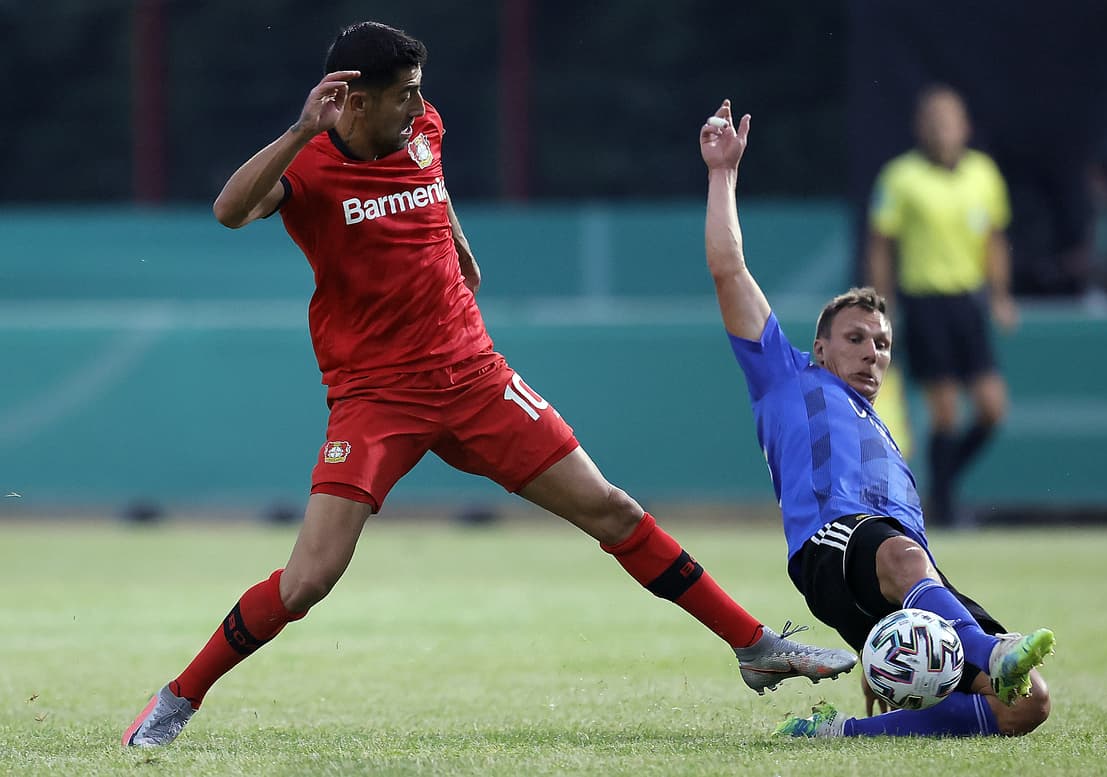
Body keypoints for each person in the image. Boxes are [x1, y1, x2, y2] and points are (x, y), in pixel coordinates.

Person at [121, 22, 856, 748]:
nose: (419, 106)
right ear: (350, 99)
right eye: (404, 94)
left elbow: (432, 184)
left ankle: (752, 642)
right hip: (377, 397)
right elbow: (228, 210)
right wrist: (295, 130)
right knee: (307, 580)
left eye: (419, 91)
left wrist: (460, 245)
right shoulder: (308, 162)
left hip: (473, 374)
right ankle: (179, 697)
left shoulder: (423, 128)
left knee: (611, 507)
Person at [698, 99, 1054, 738]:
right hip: (834, 546)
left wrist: (901, 643)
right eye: (856, 338)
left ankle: (840, 735)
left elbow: (908, 560)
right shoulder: (786, 375)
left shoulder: (887, 436)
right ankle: (992, 650)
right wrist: (722, 173)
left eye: (882, 343)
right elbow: (728, 270)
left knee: (1028, 705)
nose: (871, 352)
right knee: (905, 557)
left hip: (901, 570)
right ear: (822, 346)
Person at [864, 85, 1015, 527]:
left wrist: (1001, 296)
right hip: (926, 300)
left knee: (991, 407)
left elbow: (994, 240)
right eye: (933, 121)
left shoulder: (983, 174)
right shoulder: (901, 178)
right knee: (945, 410)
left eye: (948, 120)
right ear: (920, 128)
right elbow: (880, 244)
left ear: (964, 126)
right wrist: (878, 303)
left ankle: (940, 489)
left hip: (968, 301)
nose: (941, 129)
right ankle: (946, 508)